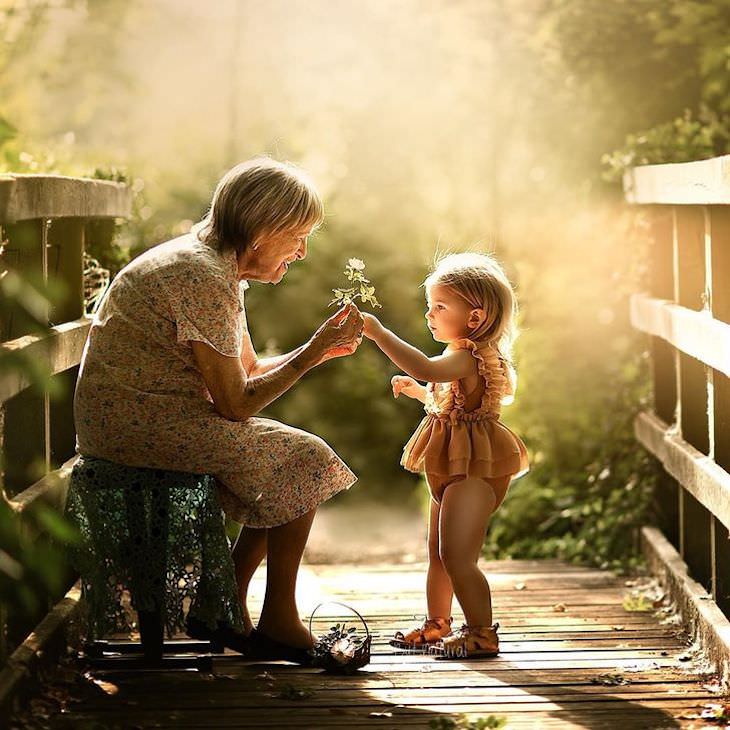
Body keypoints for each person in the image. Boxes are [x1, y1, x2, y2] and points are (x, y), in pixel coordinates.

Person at [74, 157, 364, 662]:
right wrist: (312, 351)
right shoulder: (199, 274)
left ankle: (219, 604)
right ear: (262, 229)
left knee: (287, 456)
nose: (302, 251)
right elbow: (235, 404)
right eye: (297, 235)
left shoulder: (215, 268)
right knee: (305, 456)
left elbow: (245, 372)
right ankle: (273, 621)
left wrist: (313, 353)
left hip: (152, 417)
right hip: (134, 425)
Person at [360, 252, 528, 658]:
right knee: (438, 552)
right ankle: (438, 624)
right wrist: (421, 393)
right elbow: (448, 396)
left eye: (440, 306)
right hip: (452, 466)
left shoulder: (470, 354)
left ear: (475, 317)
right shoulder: (461, 355)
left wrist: (379, 334)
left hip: (473, 471)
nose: (429, 315)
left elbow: (427, 367)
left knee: (458, 556)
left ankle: (482, 633)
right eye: (428, 306)